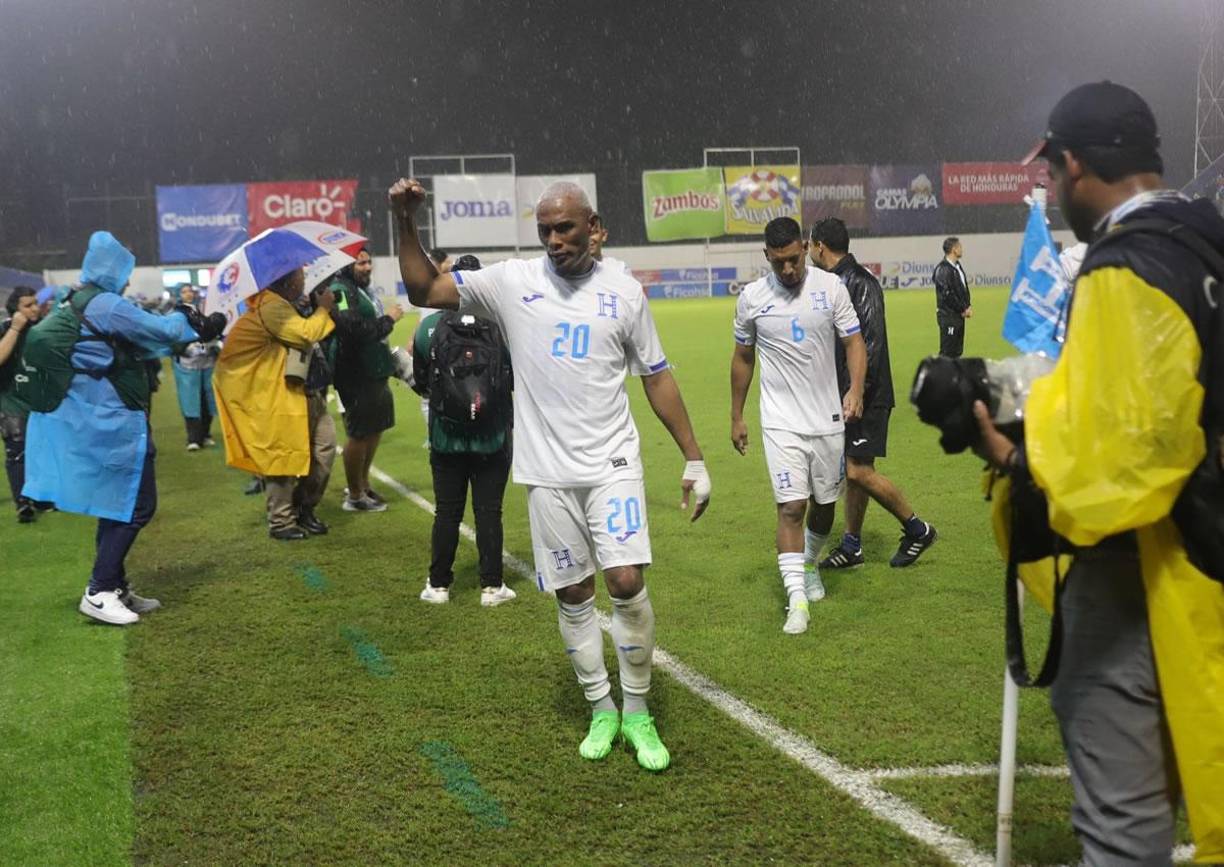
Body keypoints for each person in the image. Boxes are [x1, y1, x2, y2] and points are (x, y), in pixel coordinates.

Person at [974, 81, 1224, 864]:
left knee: (1124, 834)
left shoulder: (1128, 265)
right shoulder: (1205, 239)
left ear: (1074, 164)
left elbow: (1122, 461)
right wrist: (1003, 387)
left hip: (1158, 568)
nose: (1052, 190)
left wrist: (1011, 455)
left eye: (1052, 175)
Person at [391, 176, 711, 772]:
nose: (554, 240)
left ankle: (637, 710)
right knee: (572, 591)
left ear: (593, 227)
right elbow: (421, 287)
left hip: (614, 463)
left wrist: (693, 456)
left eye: (565, 228)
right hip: (547, 473)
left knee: (623, 582)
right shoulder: (512, 282)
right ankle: (601, 708)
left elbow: (656, 376)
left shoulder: (626, 293)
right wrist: (405, 222)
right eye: (544, 231)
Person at [22, 231, 224, 625]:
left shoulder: (80, 300)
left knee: (117, 502)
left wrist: (188, 326)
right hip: (111, 418)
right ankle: (98, 590)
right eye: (124, 270)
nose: (128, 278)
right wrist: (188, 318)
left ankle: (113, 585)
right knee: (137, 504)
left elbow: (141, 340)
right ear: (112, 269)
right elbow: (162, 333)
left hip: (99, 415)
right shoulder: (106, 303)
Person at [730, 217, 866, 635]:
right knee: (792, 506)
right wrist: (737, 414)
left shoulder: (831, 288)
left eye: (794, 260)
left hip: (826, 419)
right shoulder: (752, 298)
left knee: (824, 506)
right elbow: (743, 358)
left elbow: (854, 342)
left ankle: (808, 563)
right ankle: (797, 599)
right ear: (766, 256)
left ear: (806, 246)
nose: (788, 271)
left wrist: (856, 389)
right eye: (779, 263)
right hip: (780, 422)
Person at [808, 218, 937, 569]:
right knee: (857, 468)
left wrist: (857, 391)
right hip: (848, 394)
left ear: (819, 245)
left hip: (865, 395)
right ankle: (852, 546)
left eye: (809, 245)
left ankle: (918, 528)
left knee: (856, 472)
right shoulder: (834, 282)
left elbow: (871, 344)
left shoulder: (860, 282)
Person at [411, 255, 517, 607]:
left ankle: (439, 585)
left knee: (447, 511)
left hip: (446, 436)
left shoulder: (429, 328)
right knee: (489, 511)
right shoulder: (504, 327)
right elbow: (513, 378)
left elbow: (422, 382)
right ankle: (492, 586)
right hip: (493, 435)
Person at [213, 268, 338, 540]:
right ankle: (281, 522)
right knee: (283, 457)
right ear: (287, 281)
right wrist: (323, 309)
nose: (305, 280)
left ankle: (303, 509)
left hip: (307, 389)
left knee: (324, 450)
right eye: (301, 276)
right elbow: (305, 334)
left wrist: (308, 307)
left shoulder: (282, 305)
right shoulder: (271, 306)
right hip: (281, 394)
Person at [327, 247, 403, 511]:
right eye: (361, 263)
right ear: (347, 265)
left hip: (374, 369)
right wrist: (388, 320)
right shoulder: (339, 289)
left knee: (376, 427)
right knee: (359, 433)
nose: (368, 267)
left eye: (369, 261)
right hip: (356, 372)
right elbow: (352, 328)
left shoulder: (359, 289)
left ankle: (364, 483)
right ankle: (355, 496)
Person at [0, 286, 43, 522]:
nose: (35, 308)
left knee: (43, 450)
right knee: (17, 450)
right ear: (14, 309)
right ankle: (22, 503)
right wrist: (16, 328)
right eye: (28, 305)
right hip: (11, 399)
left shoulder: (42, 329)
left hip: (39, 399)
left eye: (35, 303)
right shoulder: (5, 329)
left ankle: (41, 497)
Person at [170, 285, 220, 451]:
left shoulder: (202, 311)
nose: (188, 294)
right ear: (178, 295)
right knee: (191, 400)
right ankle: (193, 438)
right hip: (187, 363)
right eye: (184, 291)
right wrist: (184, 348)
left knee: (207, 399)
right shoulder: (174, 315)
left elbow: (210, 336)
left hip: (206, 361)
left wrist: (211, 346)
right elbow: (171, 338)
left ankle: (206, 434)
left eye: (190, 291)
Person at [932, 236, 971, 357]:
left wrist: (968, 305)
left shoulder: (957, 267)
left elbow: (963, 289)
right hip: (948, 316)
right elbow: (947, 294)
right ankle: (941, 375)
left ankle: (955, 375)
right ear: (953, 249)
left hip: (958, 316)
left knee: (957, 351)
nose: (961, 249)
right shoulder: (943, 269)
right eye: (959, 247)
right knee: (947, 351)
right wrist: (963, 309)